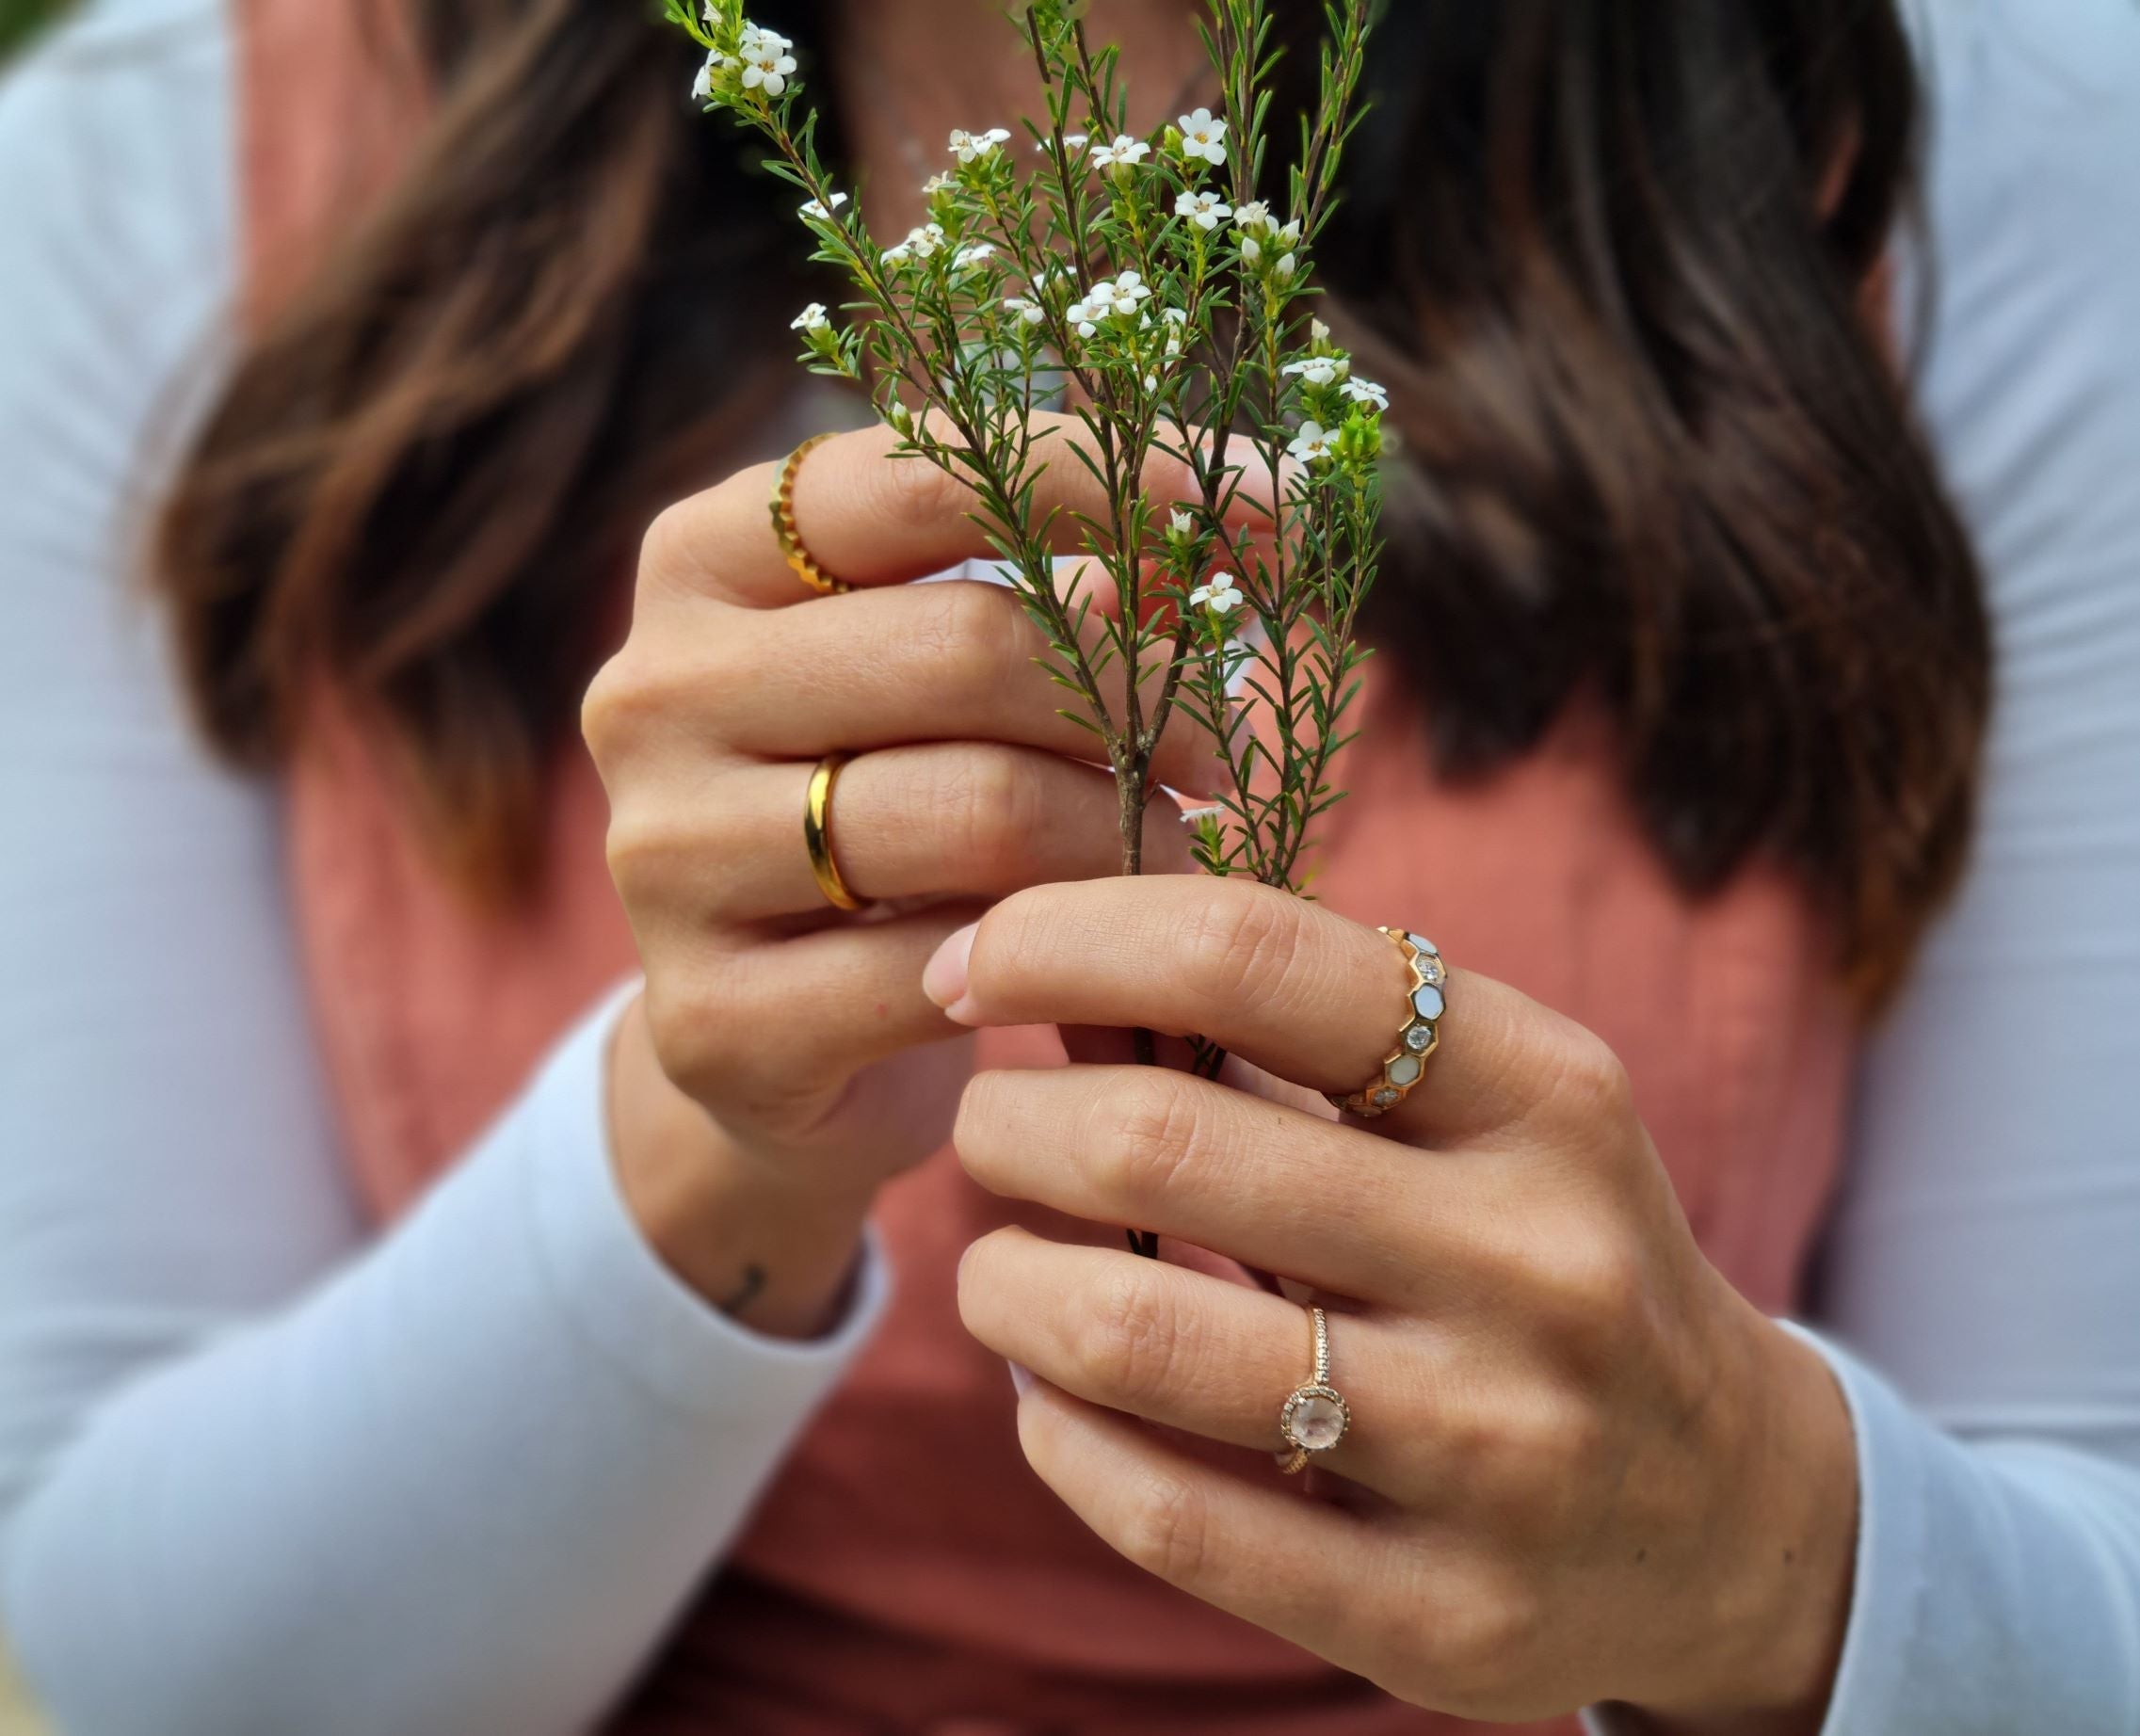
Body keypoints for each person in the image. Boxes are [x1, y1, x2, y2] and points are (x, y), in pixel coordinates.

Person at [0, 0, 2134, 1731]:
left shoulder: (1973, 144)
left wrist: (1766, 1542)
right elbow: (146, 1666)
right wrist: (711, 1139)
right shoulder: (158, 172)